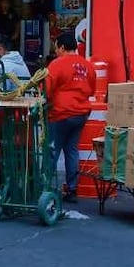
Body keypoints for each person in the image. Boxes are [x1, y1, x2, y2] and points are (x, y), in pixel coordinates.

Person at [44, 32, 96, 203]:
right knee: (72, 150)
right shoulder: (88, 66)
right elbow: (92, 90)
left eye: (56, 48)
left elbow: (47, 90)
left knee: (53, 150)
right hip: (80, 114)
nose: (56, 51)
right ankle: (72, 189)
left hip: (61, 113)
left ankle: (46, 189)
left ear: (62, 47)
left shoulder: (56, 64)